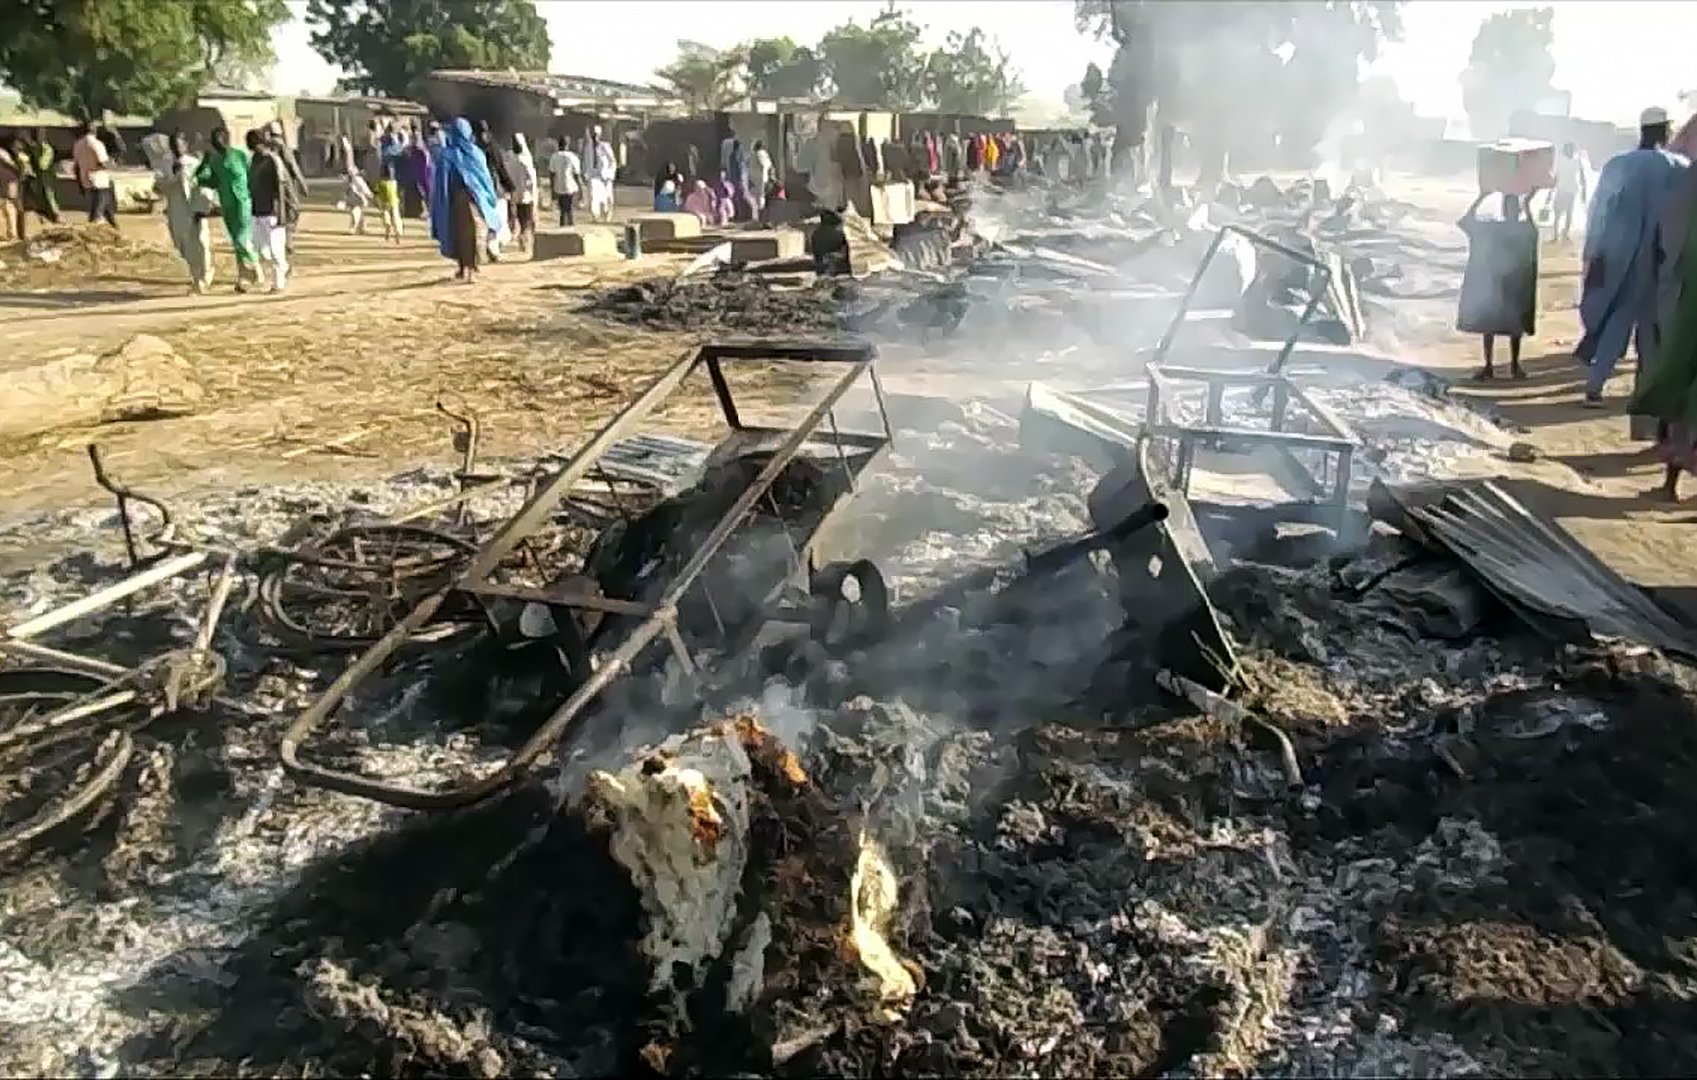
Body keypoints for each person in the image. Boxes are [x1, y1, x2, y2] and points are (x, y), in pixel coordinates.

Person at [1578, 106, 1691, 408]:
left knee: (1617, 316)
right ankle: (1651, 395)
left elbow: (1598, 210)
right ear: (1666, 131)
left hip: (1617, 253)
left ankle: (1596, 382)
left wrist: (1591, 251)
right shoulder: (1678, 166)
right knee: (1654, 327)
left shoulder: (1618, 165)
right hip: (1660, 256)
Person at [1457, 189, 1539, 381]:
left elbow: (1465, 222)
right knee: (1511, 327)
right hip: (1514, 285)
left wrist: (1481, 197)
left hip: (1498, 283)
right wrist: (1526, 205)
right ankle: (1513, 366)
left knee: (1491, 325)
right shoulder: (1522, 229)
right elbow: (1464, 223)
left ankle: (1490, 366)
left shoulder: (1493, 228)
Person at [430, 117, 500, 282]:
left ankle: (464, 267)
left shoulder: (446, 155)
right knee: (475, 234)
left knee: (459, 235)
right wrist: (488, 197)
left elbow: (441, 183)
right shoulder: (476, 153)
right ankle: (472, 267)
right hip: (477, 201)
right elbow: (485, 180)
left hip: (455, 201)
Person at [195, 127, 259, 292]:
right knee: (236, 243)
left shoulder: (240, 156)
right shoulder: (215, 160)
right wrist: (204, 163)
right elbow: (206, 181)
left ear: (226, 139)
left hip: (243, 203)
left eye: (219, 140)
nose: (216, 144)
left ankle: (255, 270)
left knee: (241, 239)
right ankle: (244, 277)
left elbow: (252, 177)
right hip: (227, 205)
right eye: (214, 142)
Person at [154, 132, 213, 293]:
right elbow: (161, 186)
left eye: (179, 144)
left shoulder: (194, 164)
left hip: (194, 210)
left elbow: (204, 186)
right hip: (176, 212)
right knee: (183, 246)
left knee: (200, 244)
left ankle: (203, 279)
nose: (176, 148)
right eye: (173, 145)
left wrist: (203, 207)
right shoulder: (167, 166)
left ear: (186, 145)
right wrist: (168, 179)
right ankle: (196, 278)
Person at [245, 129, 293, 291]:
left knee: (275, 249)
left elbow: (280, 186)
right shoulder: (254, 161)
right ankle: (284, 267)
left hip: (272, 211)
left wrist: (281, 212)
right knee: (261, 249)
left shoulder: (273, 160)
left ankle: (278, 282)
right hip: (257, 210)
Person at [73, 121, 117, 228]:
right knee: (98, 209)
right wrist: (112, 163)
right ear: (93, 130)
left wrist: (79, 181)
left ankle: (114, 225)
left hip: (86, 179)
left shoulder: (78, 145)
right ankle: (96, 231)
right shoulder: (96, 144)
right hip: (99, 180)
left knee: (98, 207)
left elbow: (77, 165)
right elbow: (102, 162)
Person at [1547, 141, 1588, 243]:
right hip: (1567, 190)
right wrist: (1584, 192)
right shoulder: (1575, 161)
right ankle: (1560, 235)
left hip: (1566, 190)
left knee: (1562, 213)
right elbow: (1582, 179)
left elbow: (1556, 178)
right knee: (1563, 213)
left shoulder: (1569, 161)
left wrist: (1550, 193)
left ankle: (1559, 235)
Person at [20, 129, 59, 227]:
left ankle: (56, 218)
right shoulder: (29, 149)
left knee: (49, 199)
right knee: (39, 202)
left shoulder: (46, 149)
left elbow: (43, 165)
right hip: (36, 180)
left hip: (46, 180)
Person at [507, 133, 538, 252]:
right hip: (526, 195)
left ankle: (522, 239)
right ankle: (525, 241)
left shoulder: (510, 158)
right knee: (527, 220)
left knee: (520, 218)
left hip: (515, 195)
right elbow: (532, 178)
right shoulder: (525, 159)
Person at [582, 124, 617, 223]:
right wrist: (585, 173)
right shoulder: (588, 147)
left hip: (605, 176)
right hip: (593, 176)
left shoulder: (605, 146)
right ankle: (595, 216)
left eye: (595, 135)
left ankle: (607, 215)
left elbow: (612, 161)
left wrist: (609, 174)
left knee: (608, 197)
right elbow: (585, 161)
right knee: (593, 196)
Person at [549, 139, 582, 226]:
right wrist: (580, 188)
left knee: (562, 211)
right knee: (570, 209)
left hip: (559, 187)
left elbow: (552, 174)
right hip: (571, 186)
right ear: (567, 144)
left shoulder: (554, 157)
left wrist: (552, 189)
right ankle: (570, 228)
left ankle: (562, 227)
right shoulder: (573, 157)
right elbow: (577, 174)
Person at [401, 125, 431, 218]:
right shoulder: (411, 150)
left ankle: (429, 210)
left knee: (425, 193)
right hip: (416, 174)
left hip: (423, 174)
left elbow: (427, 161)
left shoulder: (422, 150)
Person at [375, 158, 403, 243]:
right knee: (396, 216)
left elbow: (377, 194)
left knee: (386, 215)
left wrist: (378, 202)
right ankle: (398, 231)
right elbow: (399, 193)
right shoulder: (395, 182)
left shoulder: (380, 183)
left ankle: (387, 224)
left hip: (384, 202)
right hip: (394, 202)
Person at [0, 137, 21, 242]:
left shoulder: (2, 153)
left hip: (9, 180)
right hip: (7, 181)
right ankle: (11, 233)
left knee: (9, 205)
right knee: (6, 206)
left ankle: (13, 233)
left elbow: (13, 166)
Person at [343, 164, 373, 233]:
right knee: (359, 213)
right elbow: (345, 190)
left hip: (359, 199)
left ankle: (354, 228)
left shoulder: (357, 179)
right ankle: (362, 227)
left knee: (355, 213)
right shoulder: (348, 180)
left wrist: (368, 194)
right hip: (353, 199)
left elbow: (363, 187)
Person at [747, 140, 772, 220]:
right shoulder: (763, 154)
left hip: (756, 178)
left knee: (756, 197)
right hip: (762, 177)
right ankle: (760, 216)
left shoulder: (756, 154)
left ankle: (758, 216)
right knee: (760, 196)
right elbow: (768, 165)